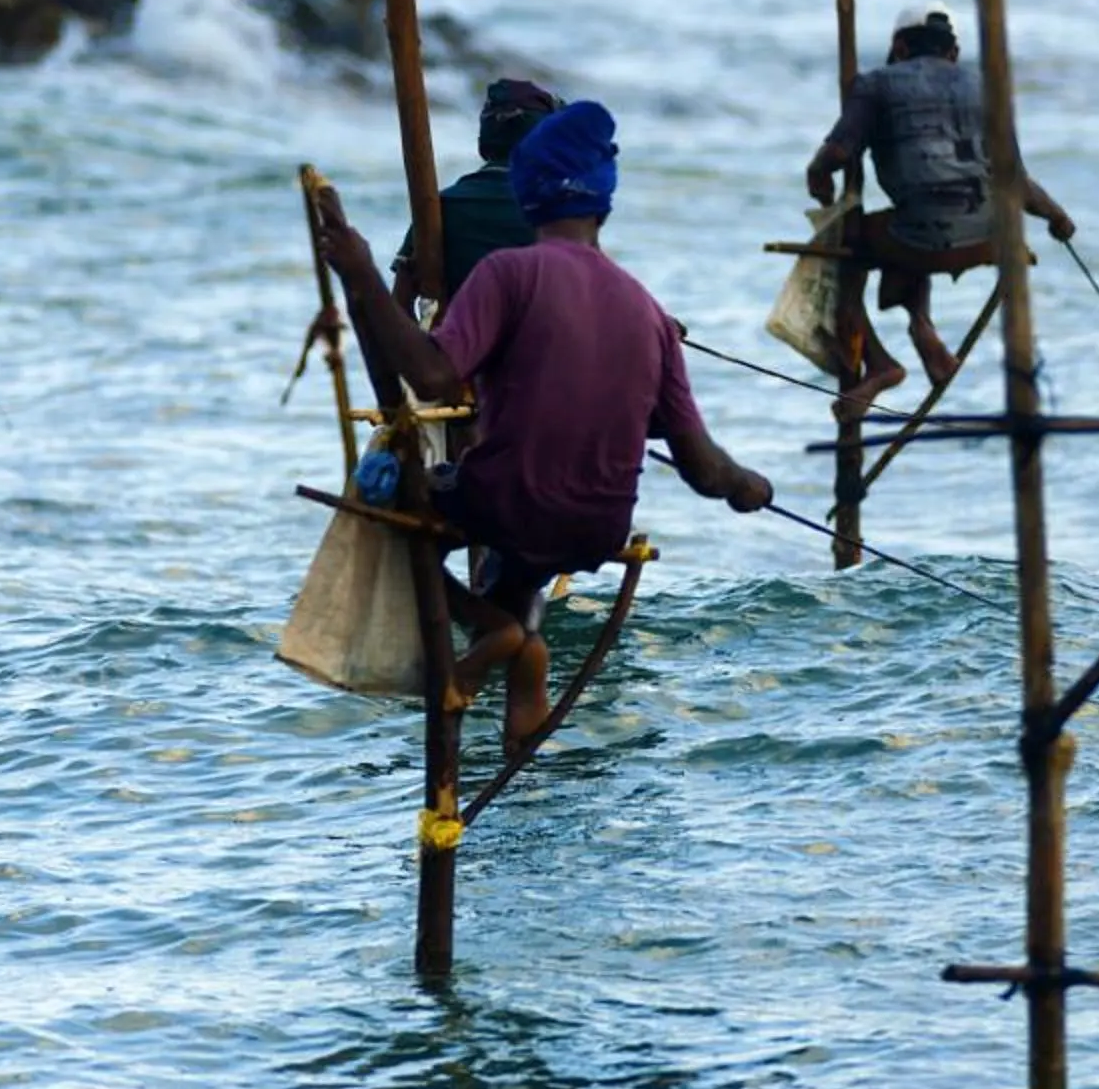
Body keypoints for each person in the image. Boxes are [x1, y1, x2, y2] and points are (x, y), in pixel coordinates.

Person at [314, 99, 774, 757]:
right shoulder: (649, 312)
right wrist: (747, 485)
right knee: (523, 560)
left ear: (528, 196)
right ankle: (521, 657)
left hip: (508, 504)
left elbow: (434, 376)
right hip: (598, 529)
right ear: (603, 205)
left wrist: (360, 271)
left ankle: (498, 633)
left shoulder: (509, 273)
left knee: (385, 508)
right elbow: (703, 467)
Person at [804, 1, 1075, 408]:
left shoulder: (876, 84)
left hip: (919, 237)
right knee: (911, 222)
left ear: (899, 48)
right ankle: (922, 329)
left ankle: (879, 364)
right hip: (990, 239)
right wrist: (1057, 217)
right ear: (953, 53)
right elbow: (1015, 180)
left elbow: (837, 154)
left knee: (842, 247)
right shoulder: (987, 88)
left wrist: (817, 176)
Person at [390, 77, 559, 303]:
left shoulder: (440, 207)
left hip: (458, 325)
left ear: (484, 141)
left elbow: (399, 304)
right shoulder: (560, 214)